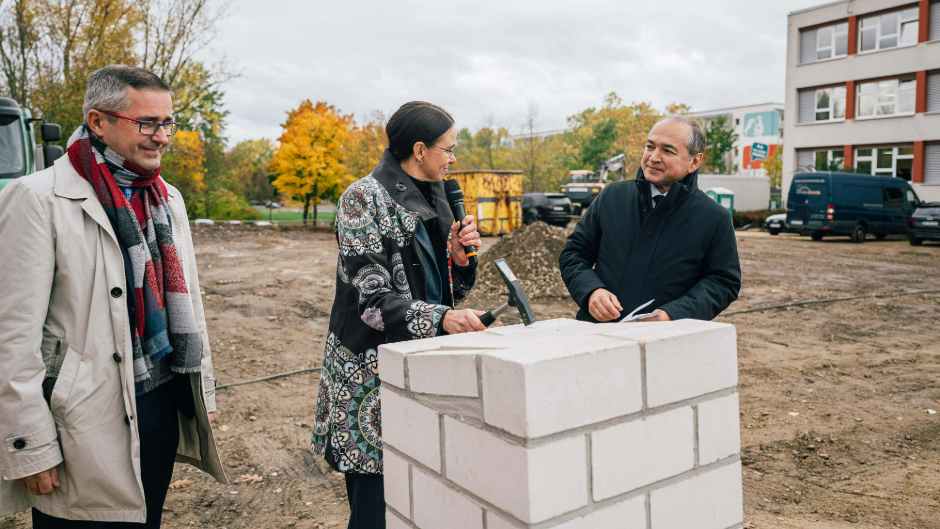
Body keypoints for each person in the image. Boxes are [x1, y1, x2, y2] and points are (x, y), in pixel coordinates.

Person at [0, 65, 225, 528]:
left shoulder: (168, 199)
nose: (162, 137)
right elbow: (10, 336)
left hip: (159, 407)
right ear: (99, 122)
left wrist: (203, 390)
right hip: (81, 429)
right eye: (147, 123)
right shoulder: (37, 199)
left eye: (168, 123)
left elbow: (191, 307)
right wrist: (29, 444)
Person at [311, 101, 484, 529]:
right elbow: (372, 301)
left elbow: (447, 293)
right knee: (376, 509)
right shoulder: (362, 199)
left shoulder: (439, 198)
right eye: (449, 148)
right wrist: (442, 318)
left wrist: (460, 263)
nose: (453, 158)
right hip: (369, 375)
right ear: (421, 149)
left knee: (420, 501)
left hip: (421, 367)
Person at [559, 116, 741, 323]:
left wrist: (673, 314)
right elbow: (573, 255)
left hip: (665, 344)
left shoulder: (714, 218)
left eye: (668, 150)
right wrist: (592, 291)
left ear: (695, 161)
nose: (654, 157)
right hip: (598, 335)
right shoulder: (612, 197)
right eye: (650, 147)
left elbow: (723, 282)